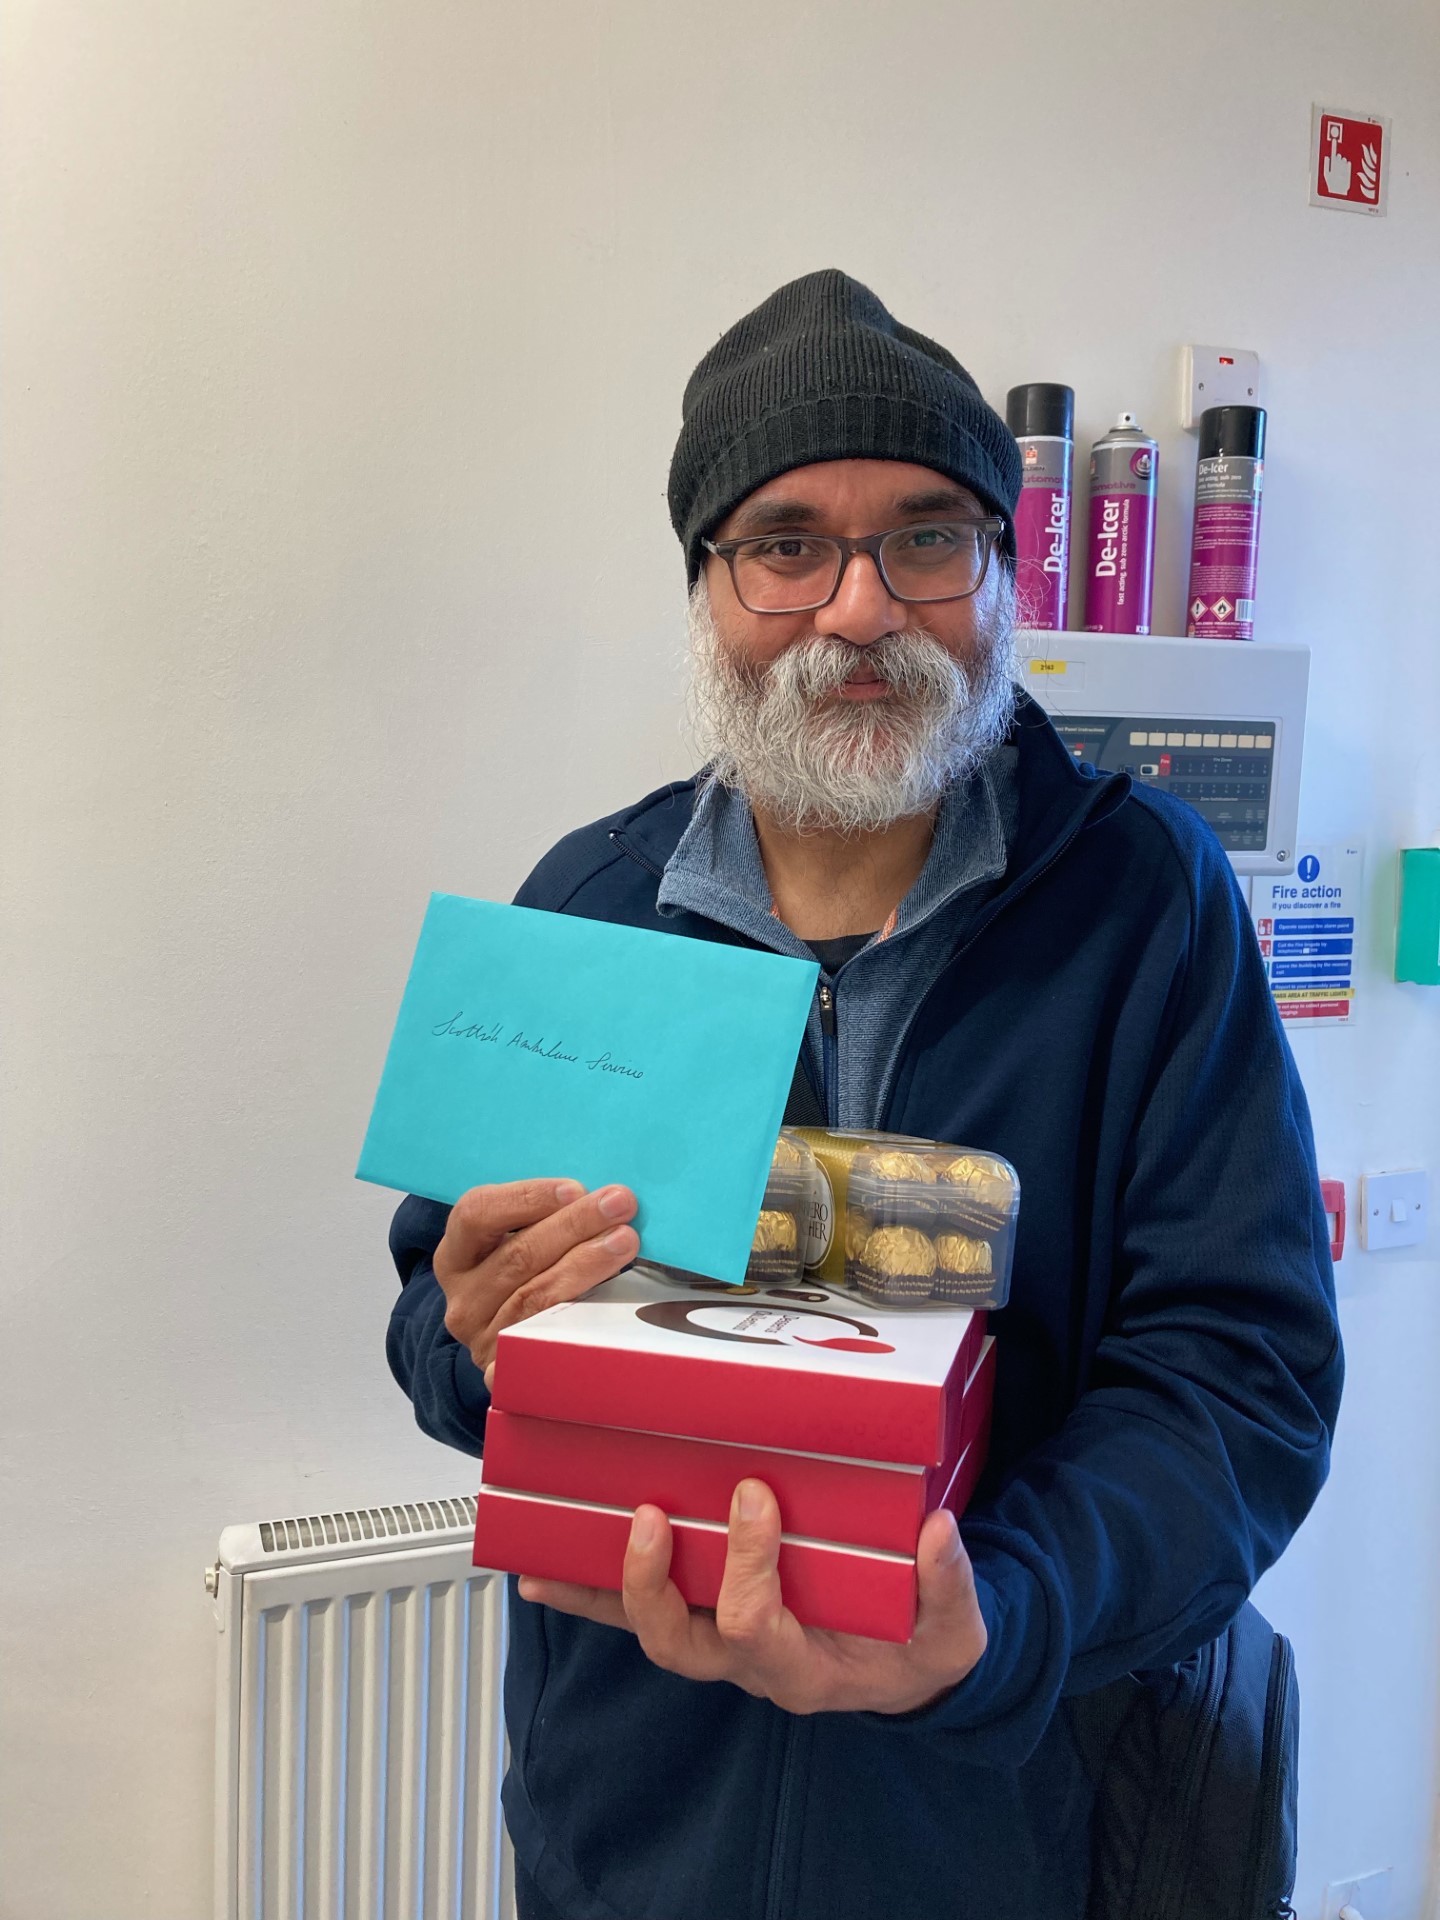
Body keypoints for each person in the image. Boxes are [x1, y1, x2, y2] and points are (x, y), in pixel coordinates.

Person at [386, 269, 1342, 1920]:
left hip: (1019, 1833)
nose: (857, 609)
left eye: (923, 537)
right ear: (708, 586)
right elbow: (431, 1312)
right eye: (787, 545)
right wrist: (476, 1340)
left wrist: (1000, 1616)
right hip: (635, 1841)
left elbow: (1238, 1377)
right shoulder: (589, 913)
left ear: (999, 569)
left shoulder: (1146, 906)